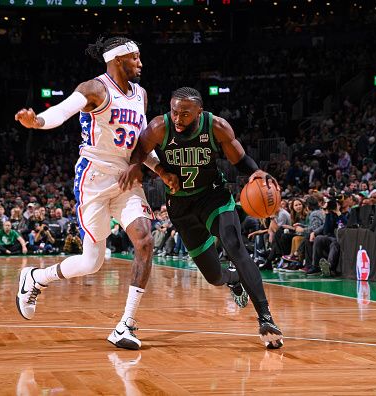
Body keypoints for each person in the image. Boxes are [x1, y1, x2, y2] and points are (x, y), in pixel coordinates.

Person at [14, 36, 162, 350]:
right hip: (94, 177)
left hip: (126, 176)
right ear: (119, 60)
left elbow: (141, 145)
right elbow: (62, 111)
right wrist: (37, 121)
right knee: (91, 262)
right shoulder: (94, 88)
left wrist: (162, 170)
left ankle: (127, 324)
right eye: (135, 58)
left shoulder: (141, 95)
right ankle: (37, 278)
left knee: (145, 241)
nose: (141, 63)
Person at [119, 87, 283, 349]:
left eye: (184, 113)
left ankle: (266, 318)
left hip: (213, 197)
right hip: (181, 207)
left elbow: (239, 159)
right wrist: (152, 170)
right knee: (213, 276)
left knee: (234, 244)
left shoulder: (216, 126)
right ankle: (233, 279)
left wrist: (256, 171)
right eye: (174, 111)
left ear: (199, 111)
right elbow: (138, 152)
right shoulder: (159, 127)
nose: (177, 118)